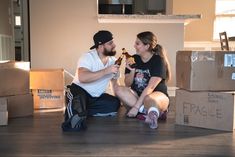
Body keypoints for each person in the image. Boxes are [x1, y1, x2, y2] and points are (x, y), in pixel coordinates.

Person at [62, 30, 121, 131]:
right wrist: (106, 71)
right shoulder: (87, 57)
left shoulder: (113, 61)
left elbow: (115, 84)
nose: (114, 45)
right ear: (101, 46)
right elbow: (82, 78)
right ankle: (75, 116)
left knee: (115, 103)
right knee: (78, 100)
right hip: (79, 91)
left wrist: (124, 101)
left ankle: (82, 111)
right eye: (110, 43)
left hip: (96, 97)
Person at [115, 31, 171, 129]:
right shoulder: (133, 59)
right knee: (118, 89)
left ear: (147, 46)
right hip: (137, 96)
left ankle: (149, 112)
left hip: (157, 96)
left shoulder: (158, 60)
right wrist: (132, 70)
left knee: (148, 98)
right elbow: (127, 84)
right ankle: (152, 113)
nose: (134, 45)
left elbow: (151, 87)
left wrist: (136, 108)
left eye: (137, 43)